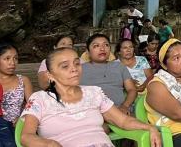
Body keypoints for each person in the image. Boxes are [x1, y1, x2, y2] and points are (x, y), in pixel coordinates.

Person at [20, 47, 161, 147]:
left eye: (76, 63)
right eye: (65, 66)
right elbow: (26, 136)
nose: (74, 69)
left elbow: (123, 121)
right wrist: (49, 144)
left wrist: (150, 128)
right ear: (50, 75)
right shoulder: (39, 99)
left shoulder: (94, 93)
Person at [80, 34, 138, 114]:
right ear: (87, 52)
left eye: (106, 45)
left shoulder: (119, 66)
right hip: (90, 114)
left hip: (120, 112)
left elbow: (132, 89)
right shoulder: (79, 69)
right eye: (96, 46)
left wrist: (125, 106)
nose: (102, 49)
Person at [0, 44, 32, 124]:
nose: (12, 63)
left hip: (18, 127)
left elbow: (33, 106)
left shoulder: (23, 80)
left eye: (15, 58)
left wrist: (22, 119)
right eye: (7, 58)